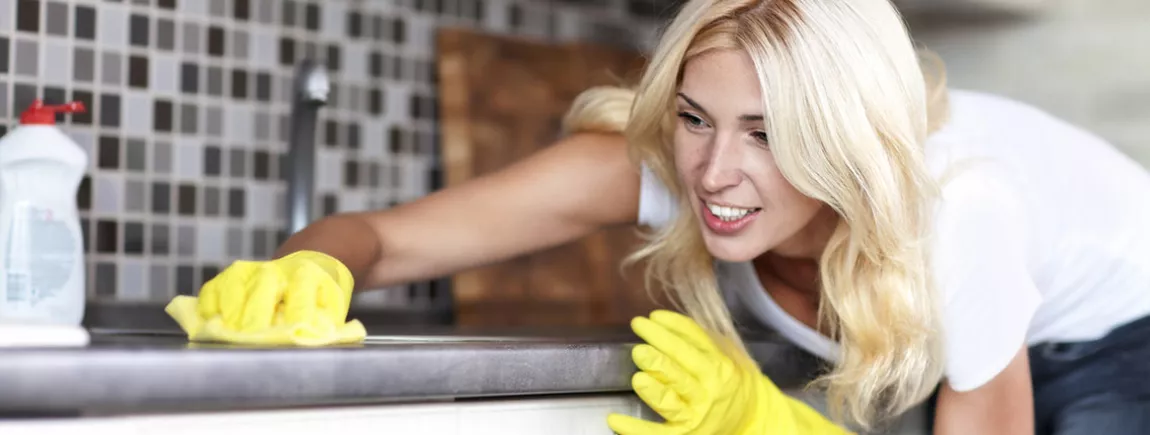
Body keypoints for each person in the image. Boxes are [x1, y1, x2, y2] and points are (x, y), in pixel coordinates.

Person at [191, 0, 1150, 433]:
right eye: (696, 117)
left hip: (1121, 337)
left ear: (843, 138)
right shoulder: (659, 164)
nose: (717, 172)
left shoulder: (959, 212)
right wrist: (309, 269)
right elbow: (384, 237)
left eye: (770, 134)